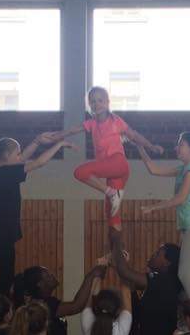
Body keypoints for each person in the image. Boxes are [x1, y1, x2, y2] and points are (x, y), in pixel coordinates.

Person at [40, 86, 162, 230]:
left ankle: (111, 192)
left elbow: (134, 135)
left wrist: (151, 146)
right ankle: (117, 244)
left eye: (100, 100)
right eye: (92, 101)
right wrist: (54, 137)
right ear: (89, 105)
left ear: (107, 102)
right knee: (112, 215)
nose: (96, 104)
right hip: (110, 171)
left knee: (80, 172)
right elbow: (72, 130)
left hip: (118, 164)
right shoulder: (91, 123)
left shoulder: (115, 121)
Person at [0, 135, 76, 297]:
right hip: (1, 232)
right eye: (17, 153)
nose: (20, 156)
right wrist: (59, 145)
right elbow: (38, 162)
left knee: (7, 278)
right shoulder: (4, 173)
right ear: (6, 156)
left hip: (2, 231)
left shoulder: (3, 171)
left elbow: (22, 158)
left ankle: (1, 302)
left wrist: (37, 141)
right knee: (6, 279)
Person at [137, 132, 190, 299]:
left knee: (184, 274)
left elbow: (180, 198)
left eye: (181, 144)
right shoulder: (183, 169)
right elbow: (153, 169)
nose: (177, 148)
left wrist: (153, 207)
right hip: (189, 227)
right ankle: (189, 304)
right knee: (185, 273)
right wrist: (139, 145)